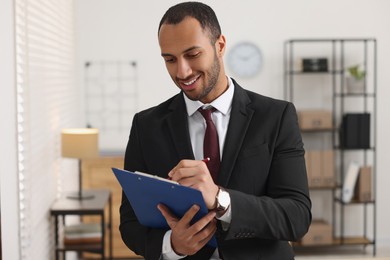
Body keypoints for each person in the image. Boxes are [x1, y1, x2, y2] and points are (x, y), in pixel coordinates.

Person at [119, 2, 311, 259]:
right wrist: (172, 245)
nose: (182, 71)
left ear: (220, 45)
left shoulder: (276, 116)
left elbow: (296, 216)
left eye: (193, 54)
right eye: (170, 59)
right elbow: (130, 225)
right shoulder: (146, 126)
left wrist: (221, 200)